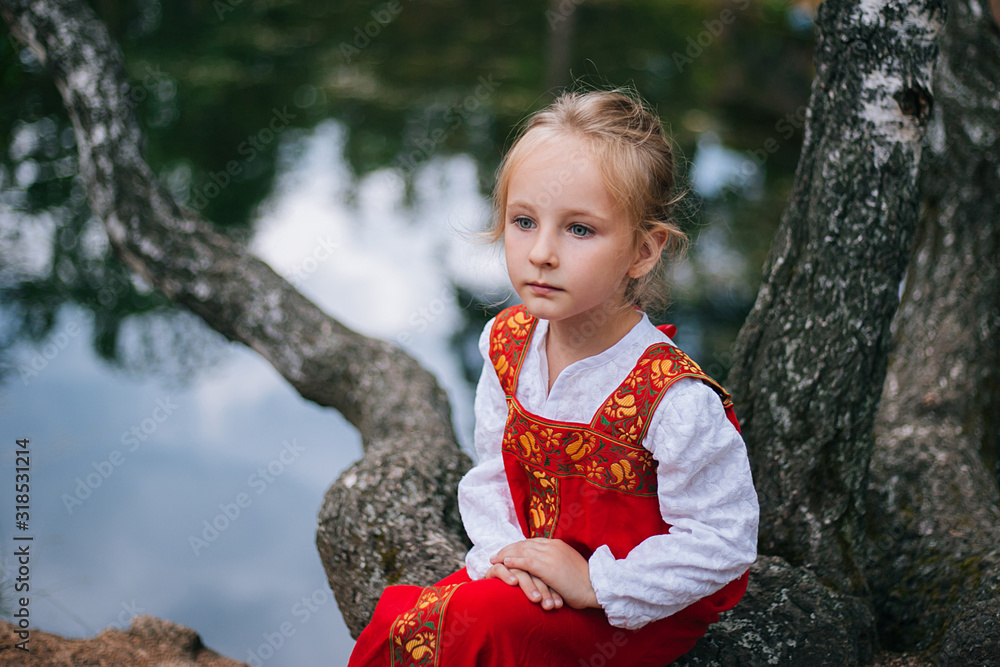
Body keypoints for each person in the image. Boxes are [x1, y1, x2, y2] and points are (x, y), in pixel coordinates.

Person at [348, 88, 758, 667]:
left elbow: (724, 539)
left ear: (643, 250)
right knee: (409, 617)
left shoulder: (673, 399)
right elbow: (493, 469)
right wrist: (509, 560)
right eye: (523, 221)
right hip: (535, 578)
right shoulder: (506, 343)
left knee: (481, 628)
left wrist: (596, 582)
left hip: (631, 608)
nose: (541, 252)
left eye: (579, 230)